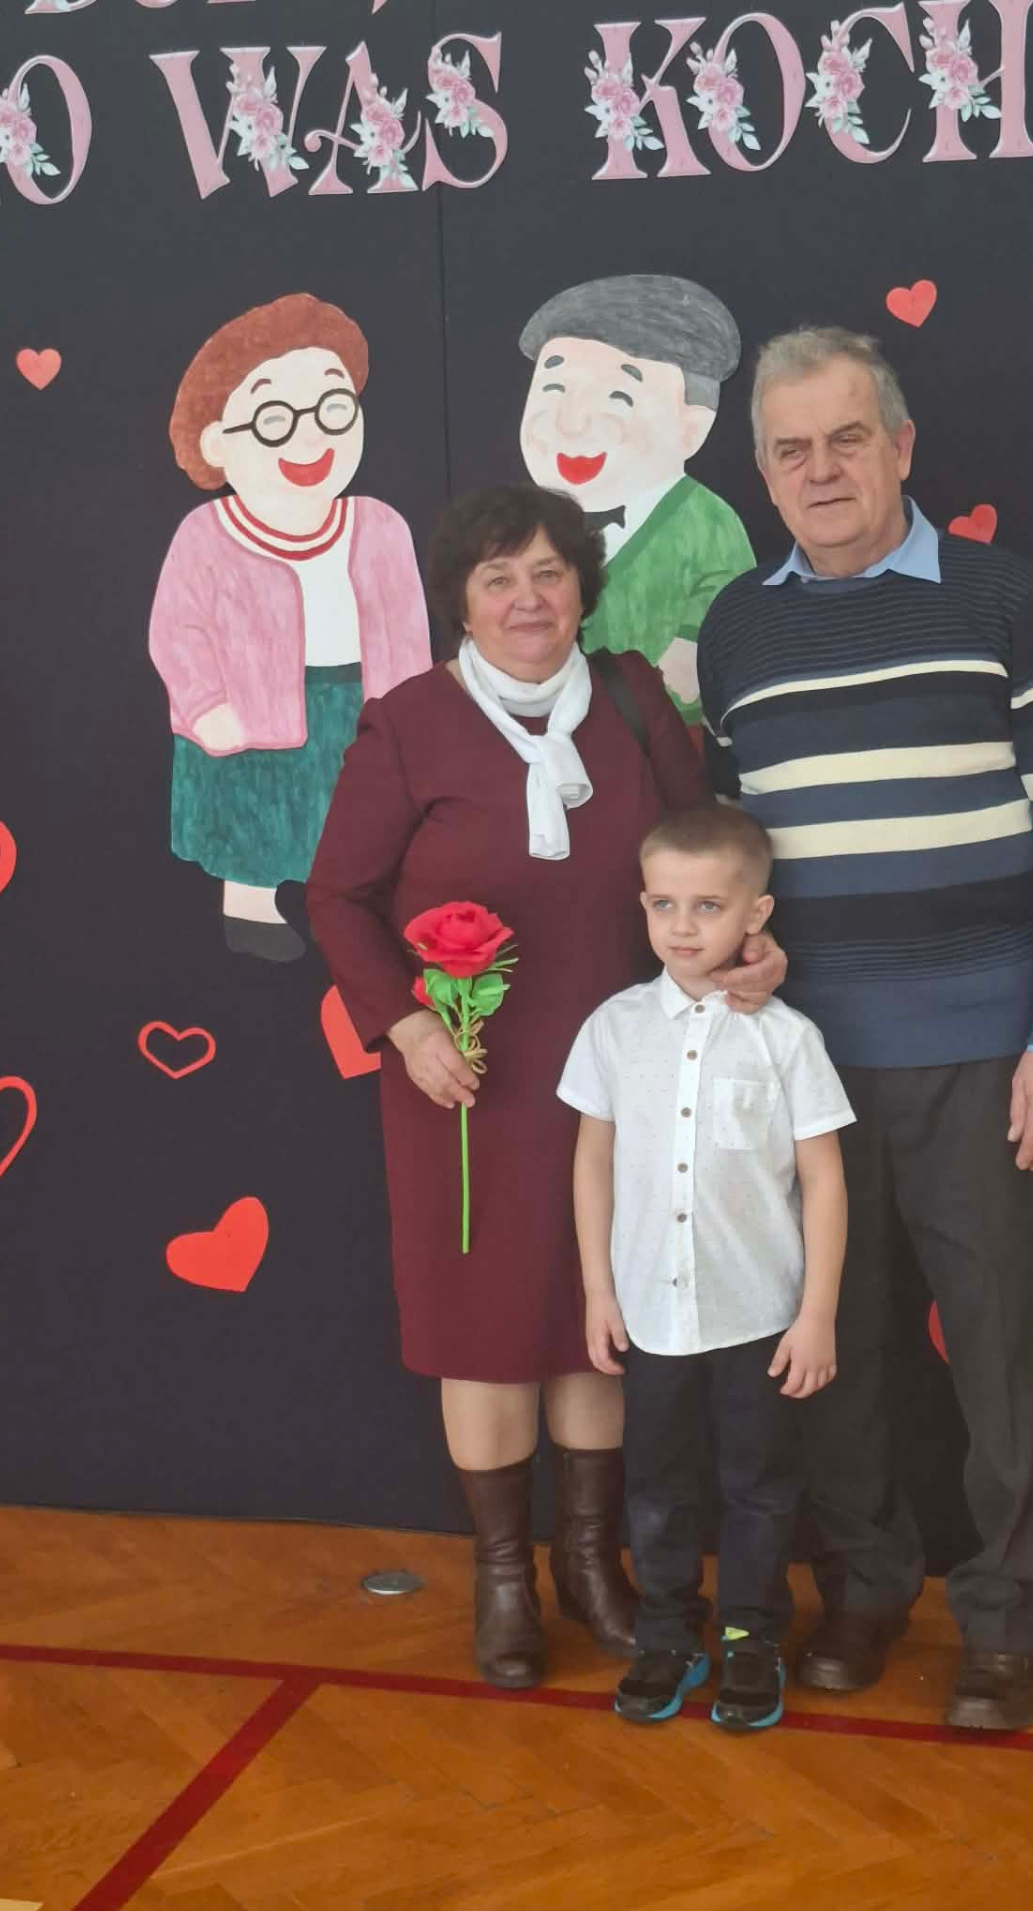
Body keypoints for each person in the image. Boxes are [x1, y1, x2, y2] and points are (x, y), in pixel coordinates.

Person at [697, 327, 1033, 1733]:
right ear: (763, 470)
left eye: (845, 439)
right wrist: (745, 948)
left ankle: (1008, 1620)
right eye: (789, 450)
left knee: (1003, 1357)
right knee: (836, 1351)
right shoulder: (737, 630)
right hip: (807, 1067)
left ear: (900, 445)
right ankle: (868, 1591)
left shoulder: (1005, 598)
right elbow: (731, 853)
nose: (819, 471)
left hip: (988, 1059)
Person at [306, 485, 786, 1690]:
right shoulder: (410, 722)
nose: (528, 599)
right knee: (484, 1324)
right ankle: (504, 1578)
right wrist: (405, 1026)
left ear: (583, 587)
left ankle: (590, 1563)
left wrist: (747, 949)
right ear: (461, 602)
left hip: (624, 1075)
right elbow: (337, 898)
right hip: (466, 1081)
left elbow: (705, 861)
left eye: (549, 573)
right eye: (498, 578)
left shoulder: (631, 699)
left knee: (595, 1317)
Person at [561, 805, 852, 1733]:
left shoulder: (787, 1038)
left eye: (708, 906)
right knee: (657, 1486)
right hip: (652, 1314)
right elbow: (593, 1160)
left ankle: (750, 1638)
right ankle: (667, 1635)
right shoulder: (613, 1029)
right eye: (663, 904)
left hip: (759, 1314)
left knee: (760, 1488)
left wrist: (817, 1313)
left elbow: (823, 1179)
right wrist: (600, 1290)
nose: (682, 927)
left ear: (755, 914)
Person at [150, 292, 430, 962]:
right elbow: (177, 630)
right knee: (255, 817)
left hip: (360, 701)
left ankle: (355, 911)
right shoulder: (206, 534)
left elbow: (407, 627)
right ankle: (250, 908)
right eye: (274, 418)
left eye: (332, 408)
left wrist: (413, 714)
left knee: (354, 816)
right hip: (247, 712)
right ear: (217, 442)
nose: (311, 438)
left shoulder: (380, 526)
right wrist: (207, 707)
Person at [518, 274, 755, 723]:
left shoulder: (708, 522)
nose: (572, 424)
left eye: (618, 397)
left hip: (667, 738)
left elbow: (718, 625)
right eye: (553, 390)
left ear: (693, 426)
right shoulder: (524, 527)